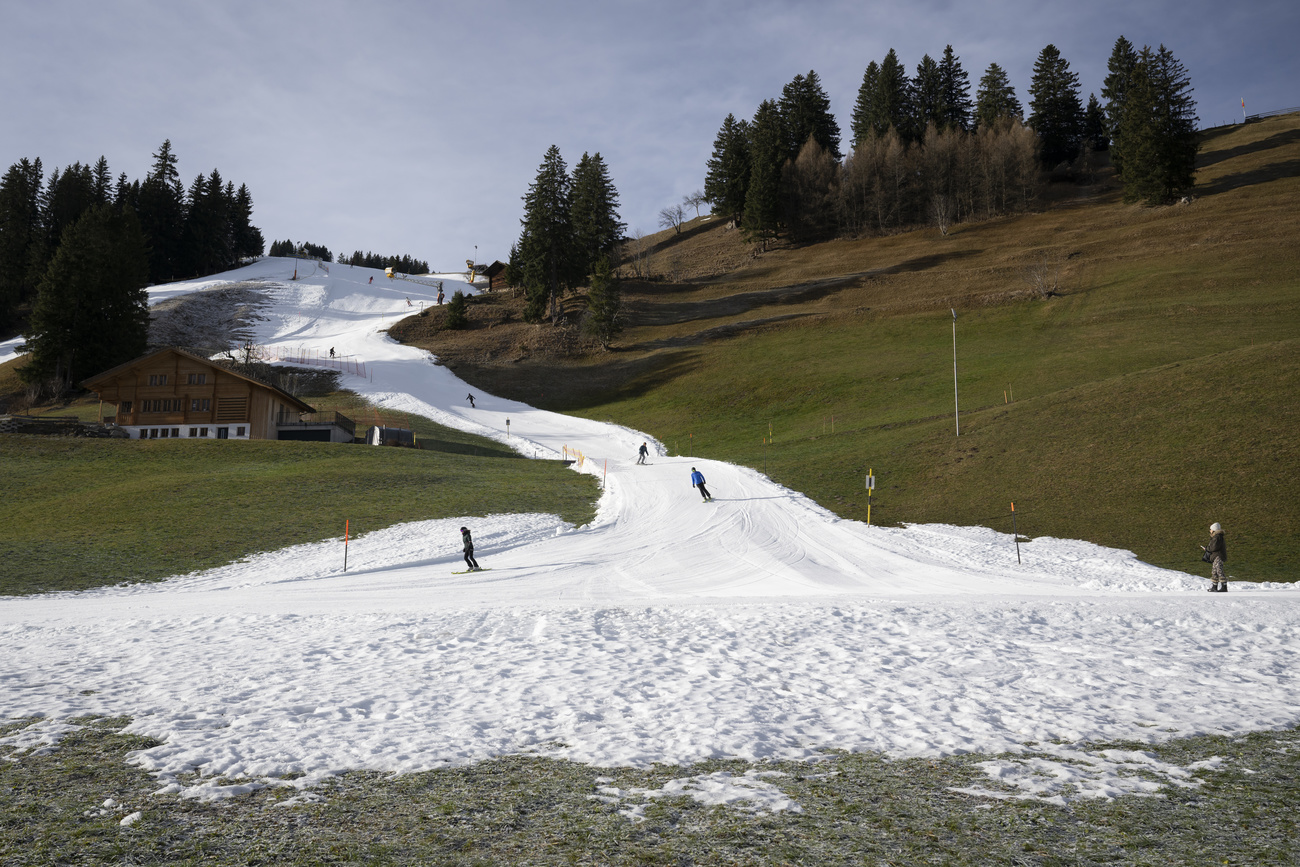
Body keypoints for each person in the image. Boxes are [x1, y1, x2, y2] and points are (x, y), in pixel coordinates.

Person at [1201, 522, 1228, 592]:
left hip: (1218, 556)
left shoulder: (1217, 537)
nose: (1210, 531)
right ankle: (1214, 586)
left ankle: (1224, 587)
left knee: (1219, 570)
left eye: (1210, 529)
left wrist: (1207, 549)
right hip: (1216, 556)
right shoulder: (1218, 537)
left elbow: (1214, 547)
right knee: (1214, 571)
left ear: (1214, 530)